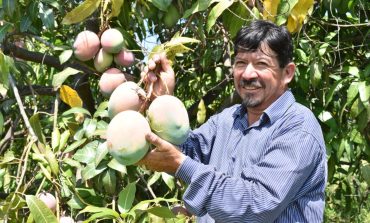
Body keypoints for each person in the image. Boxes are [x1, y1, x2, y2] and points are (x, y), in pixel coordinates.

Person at [138, 19, 327, 223]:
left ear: (287, 73)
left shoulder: (298, 128)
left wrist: (179, 165)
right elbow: (184, 149)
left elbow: (256, 205)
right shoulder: (227, 120)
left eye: (261, 64)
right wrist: (160, 99)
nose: (247, 74)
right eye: (241, 63)